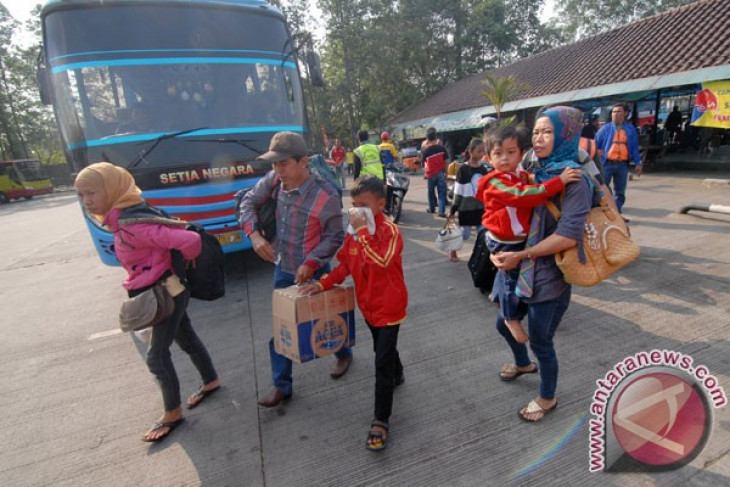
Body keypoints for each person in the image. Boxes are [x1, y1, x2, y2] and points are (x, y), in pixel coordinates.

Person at [74, 162, 220, 442]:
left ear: (111, 189)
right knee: (187, 339)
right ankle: (211, 381)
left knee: (156, 357)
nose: (87, 201)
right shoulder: (124, 217)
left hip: (165, 294)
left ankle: (172, 413)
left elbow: (190, 240)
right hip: (165, 291)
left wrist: (185, 263)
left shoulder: (133, 225)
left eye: (91, 193)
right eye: (81, 195)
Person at [490, 106, 594, 423]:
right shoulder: (534, 170)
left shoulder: (575, 180)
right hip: (518, 267)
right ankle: (523, 364)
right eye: (536, 132)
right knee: (503, 324)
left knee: (541, 342)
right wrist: (496, 248)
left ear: (565, 135)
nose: (539, 138)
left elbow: (568, 237)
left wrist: (521, 255)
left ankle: (547, 397)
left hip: (549, 277)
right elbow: (504, 211)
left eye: (548, 132)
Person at [239, 131, 352, 408]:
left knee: (326, 319)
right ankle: (282, 385)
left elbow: (334, 236)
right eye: (274, 164)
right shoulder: (274, 181)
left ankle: (343, 353)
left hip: (315, 270)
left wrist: (312, 261)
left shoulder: (326, 195)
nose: (278, 170)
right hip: (284, 267)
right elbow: (248, 202)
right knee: (283, 326)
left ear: (303, 162)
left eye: (283, 163)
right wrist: (254, 235)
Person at [300, 175, 407, 452]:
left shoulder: (390, 231)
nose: (357, 212)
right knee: (383, 349)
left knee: (381, 362)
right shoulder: (354, 234)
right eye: (354, 205)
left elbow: (383, 261)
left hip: (390, 307)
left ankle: (381, 419)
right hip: (367, 306)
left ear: (380, 204)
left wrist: (363, 234)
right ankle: (397, 373)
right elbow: (344, 266)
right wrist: (322, 284)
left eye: (364, 205)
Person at [477, 126, 581, 344]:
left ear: (521, 154)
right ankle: (510, 317)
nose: (505, 158)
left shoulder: (519, 174)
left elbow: (530, 179)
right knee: (510, 278)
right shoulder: (496, 182)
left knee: (513, 275)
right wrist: (558, 182)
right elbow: (523, 195)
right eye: (498, 154)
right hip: (505, 240)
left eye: (511, 152)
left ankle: (503, 303)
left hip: (515, 238)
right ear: (488, 158)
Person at [595, 103, 642, 218]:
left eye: (618, 112)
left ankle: (617, 213)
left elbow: (634, 148)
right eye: (613, 112)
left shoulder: (630, 130)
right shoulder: (604, 129)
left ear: (625, 113)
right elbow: (595, 145)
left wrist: (638, 163)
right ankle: (605, 210)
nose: (615, 114)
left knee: (620, 191)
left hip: (622, 165)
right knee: (602, 187)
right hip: (606, 164)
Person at [447, 138, 490, 262]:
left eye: (483, 151)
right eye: (479, 151)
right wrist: (453, 210)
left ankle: (483, 259)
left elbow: (487, 189)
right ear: (471, 151)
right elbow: (458, 191)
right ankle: (452, 249)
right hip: (466, 208)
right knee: (465, 234)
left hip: (480, 208)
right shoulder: (463, 170)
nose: (481, 154)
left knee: (483, 234)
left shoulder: (483, 169)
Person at [421, 127, 449, 217]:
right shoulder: (442, 148)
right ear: (436, 138)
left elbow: (423, 164)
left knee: (431, 192)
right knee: (441, 193)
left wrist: (425, 173)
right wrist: (446, 173)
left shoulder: (426, 150)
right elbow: (446, 161)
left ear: (427, 139)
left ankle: (432, 208)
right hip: (441, 173)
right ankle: (441, 211)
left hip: (431, 174)